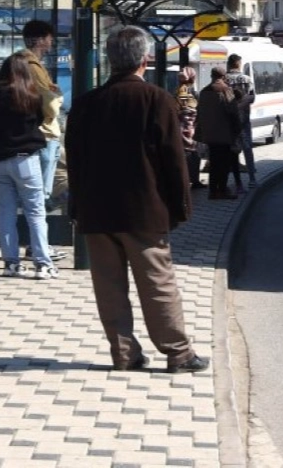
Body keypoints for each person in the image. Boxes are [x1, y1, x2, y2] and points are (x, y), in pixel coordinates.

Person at [65, 25, 206, 373]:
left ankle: (124, 353)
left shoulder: (85, 104)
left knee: (109, 286)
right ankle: (178, 353)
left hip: (97, 211)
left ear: (110, 60)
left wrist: (77, 206)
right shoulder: (157, 99)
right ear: (144, 60)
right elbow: (173, 159)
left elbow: (74, 159)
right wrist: (181, 207)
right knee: (157, 282)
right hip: (144, 209)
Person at [0, 49, 58, 279]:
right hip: (25, 160)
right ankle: (43, 265)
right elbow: (46, 115)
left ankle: (11, 264)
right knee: (35, 213)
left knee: (6, 212)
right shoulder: (30, 95)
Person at [20, 19, 65, 208]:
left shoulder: (25, 62)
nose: (51, 42)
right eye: (49, 38)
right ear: (40, 40)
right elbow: (50, 102)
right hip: (44, 131)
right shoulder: (32, 65)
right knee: (42, 189)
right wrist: (58, 96)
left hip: (39, 130)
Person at [194, 66, 241, 200]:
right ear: (223, 76)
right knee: (224, 163)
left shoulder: (204, 92)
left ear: (211, 76)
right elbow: (233, 112)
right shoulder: (226, 90)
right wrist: (237, 130)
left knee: (213, 162)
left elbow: (199, 112)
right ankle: (222, 190)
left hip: (209, 134)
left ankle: (213, 191)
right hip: (224, 134)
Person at [225, 53, 258, 190]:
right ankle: (252, 179)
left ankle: (229, 182)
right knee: (247, 150)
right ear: (239, 63)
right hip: (244, 120)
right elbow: (252, 97)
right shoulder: (246, 79)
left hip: (227, 122)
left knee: (229, 152)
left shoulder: (224, 79)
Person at [175, 65, 200, 187]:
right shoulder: (185, 90)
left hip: (185, 127)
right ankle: (193, 179)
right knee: (191, 154)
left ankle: (192, 179)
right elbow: (187, 107)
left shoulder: (182, 89)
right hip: (188, 127)